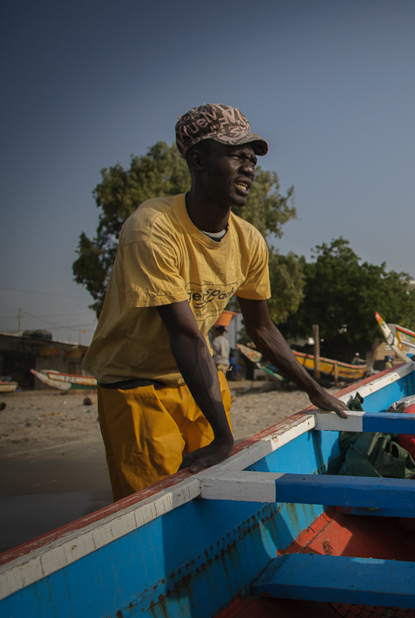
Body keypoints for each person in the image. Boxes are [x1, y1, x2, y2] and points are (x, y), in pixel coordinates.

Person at [84, 103, 348, 502]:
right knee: (157, 504)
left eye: (252, 157)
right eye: (236, 155)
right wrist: (225, 437)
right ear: (198, 160)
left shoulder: (248, 241)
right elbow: (187, 336)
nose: (249, 167)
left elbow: (261, 329)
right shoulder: (153, 227)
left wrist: (314, 389)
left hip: (198, 384)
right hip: (136, 388)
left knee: (212, 493)